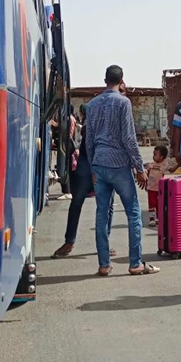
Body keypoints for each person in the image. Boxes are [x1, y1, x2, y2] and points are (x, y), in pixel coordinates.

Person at [86, 65, 160, 277]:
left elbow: (88, 140)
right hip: (119, 164)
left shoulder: (92, 105)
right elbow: (128, 138)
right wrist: (139, 167)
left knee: (101, 214)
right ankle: (135, 263)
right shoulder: (123, 102)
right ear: (122, 80)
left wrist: (93, 166)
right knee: (134, 212)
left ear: (104, 79)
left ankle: (104, 264)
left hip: (100, 163)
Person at [51, 104, 116, 259]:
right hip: (89, 171)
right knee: (89, 205)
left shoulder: (99, 125)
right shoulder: (92, 126)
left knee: (102, 206)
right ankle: (71, 241)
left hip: (94, 170)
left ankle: (94, 242)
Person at [145, 145, 168, 228]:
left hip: (160, 189)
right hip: (151, 188)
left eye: (155, 154)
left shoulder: (164, 165)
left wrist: (178, 164)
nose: (153, 156)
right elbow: (146, 175)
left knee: (159, 204)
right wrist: (145, 184)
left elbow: (171, 170)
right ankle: (152, 219)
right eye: (153, 154)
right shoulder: (150, 165)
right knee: (151, 204)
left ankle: (159, 218)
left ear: (162, 157)